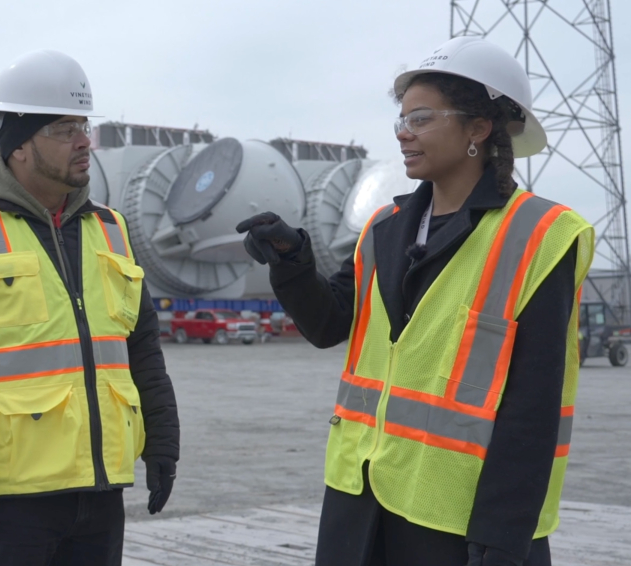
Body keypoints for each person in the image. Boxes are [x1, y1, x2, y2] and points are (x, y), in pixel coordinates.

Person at [236, 37, 594, 566]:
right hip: (358, 505)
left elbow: (532, 408)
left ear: (479, 128)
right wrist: (292, 260)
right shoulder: (384, 227)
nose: (404, 133)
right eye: (401, 121)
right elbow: (329, 323)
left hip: (459, 521)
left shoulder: (542, 233)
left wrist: (502, 540)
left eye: (422, 119)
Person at [0, 50, 179, 566]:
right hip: (9, 500)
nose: (84, 141)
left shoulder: (111, 229)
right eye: (64, 128)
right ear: (20, 145)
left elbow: (142, 348)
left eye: (83, 125)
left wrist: (164, 443)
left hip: (101, 492)